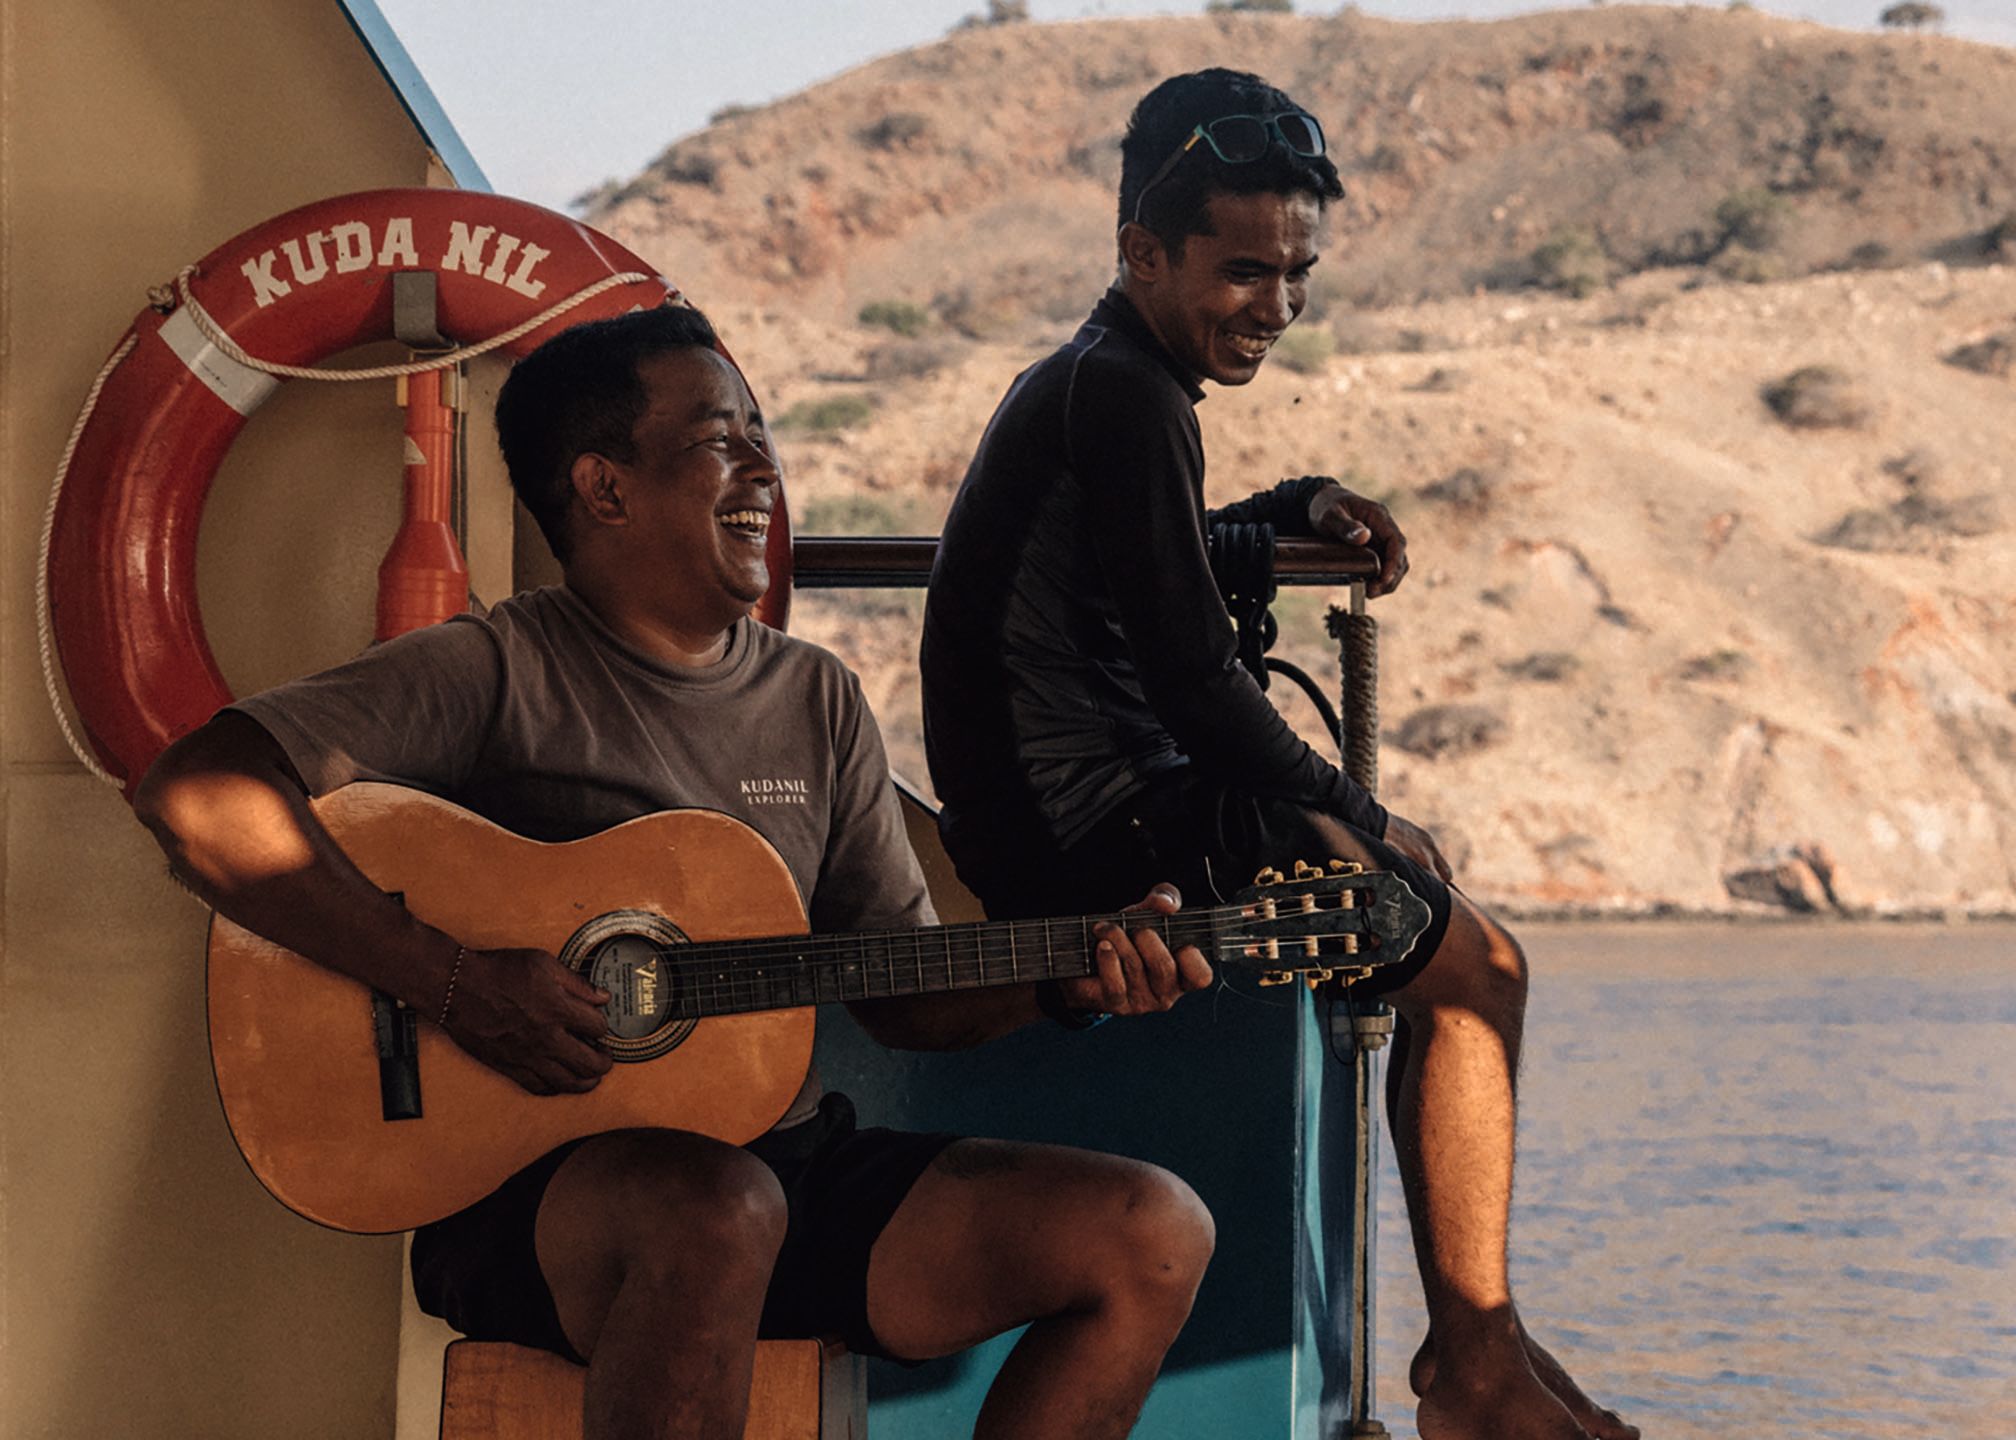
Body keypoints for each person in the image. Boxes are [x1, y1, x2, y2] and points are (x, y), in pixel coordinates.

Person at [132, 305, 1224, 1440]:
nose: (765, 465)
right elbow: (196, 795)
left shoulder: (817, 699)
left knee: (1151, 1231)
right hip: (540, 1203)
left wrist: (1066, 977)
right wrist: (450, 983)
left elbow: (900, 994)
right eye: (720, 437)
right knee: (717, 1210)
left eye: (761, 432)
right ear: (605, 490)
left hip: (781, 1170)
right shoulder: (494, 670)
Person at [920, 69, 1635, 1440]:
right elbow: (1193, 677)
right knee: (1475, 965)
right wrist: (1362, 810)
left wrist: (1297, 504)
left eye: (1296, 274)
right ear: (1140, 252)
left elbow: (1159, 559)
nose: (1274, 307)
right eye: (1242, 271)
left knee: (1458, 956)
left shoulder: (1109, 384)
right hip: (1093, 834)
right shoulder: (1120, 394)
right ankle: (1470, 1364)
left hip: (1093, 803)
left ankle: (1478, 1349)